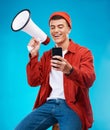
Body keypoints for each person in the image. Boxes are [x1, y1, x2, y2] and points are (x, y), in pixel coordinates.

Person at [15, 11, 96, 130]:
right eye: (52, 27)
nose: (56, 31)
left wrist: (70, 70)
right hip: (49, 104)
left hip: (71, 106)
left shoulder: (83, 53)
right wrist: (34, 55)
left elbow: (89, 80)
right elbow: (33, 81)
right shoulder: (47, 56)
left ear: (69, 29)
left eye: (60, 26)